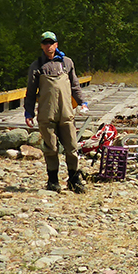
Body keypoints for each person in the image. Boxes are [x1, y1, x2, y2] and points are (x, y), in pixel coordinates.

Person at [25, 31, 90, 192]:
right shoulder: (37, 65)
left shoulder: (67, 63)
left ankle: (74, 180)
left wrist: (83, 103)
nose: (49, 46)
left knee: (72, 147)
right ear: (42, 46)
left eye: (51, 43)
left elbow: (75, 86)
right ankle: (53, 181)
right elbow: (31, 92)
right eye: (45, 43)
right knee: (51, 148)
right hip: (47, 114)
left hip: (66, 113)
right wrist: (29, 113)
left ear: (56, 45)